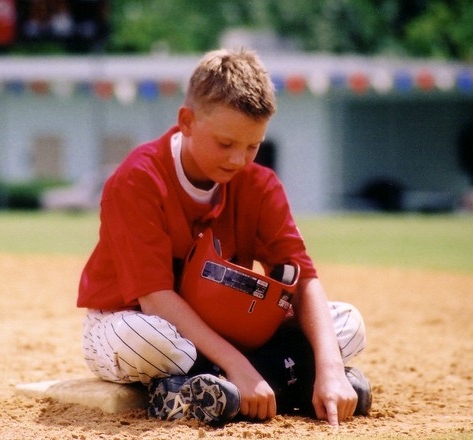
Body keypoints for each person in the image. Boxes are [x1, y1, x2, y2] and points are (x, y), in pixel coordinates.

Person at [77, 48, 372, 426]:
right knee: (147, 340)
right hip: (135, 321)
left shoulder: (259, 184)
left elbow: (303, 279)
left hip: (228, 327)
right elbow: (154, 300)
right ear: (186, 121)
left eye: (253, 146)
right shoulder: (139, 178)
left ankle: (203, 391)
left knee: (347, 324)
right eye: (226, 144)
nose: (239, 160)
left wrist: (330, 368)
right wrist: (238, 364)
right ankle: (285, 379)